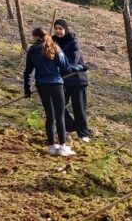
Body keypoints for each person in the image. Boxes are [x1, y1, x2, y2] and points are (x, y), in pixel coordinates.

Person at [23, 26, 86, 157]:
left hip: (42, 85)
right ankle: (62, 146)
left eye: (32, 36)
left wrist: (27, 89)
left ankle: (52, 146)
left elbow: (28, 72)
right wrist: (81, 67)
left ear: (36, 36)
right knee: (59, 115)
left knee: (50, 116)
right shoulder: (54, 47)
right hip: (56, 84)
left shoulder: (32, 50)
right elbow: (67, 68)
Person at [53, 18, 90, 143]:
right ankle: (70, 126)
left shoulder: (73, 42)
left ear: (65, 29)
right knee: (57, 104)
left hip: (77, 79)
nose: (58, 31)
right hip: (62, 80)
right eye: (56, 28)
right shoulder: (52, 41)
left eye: (61, 28)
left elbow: (73, 62)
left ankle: (83, 134)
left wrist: (59, 59)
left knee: (79, 107)